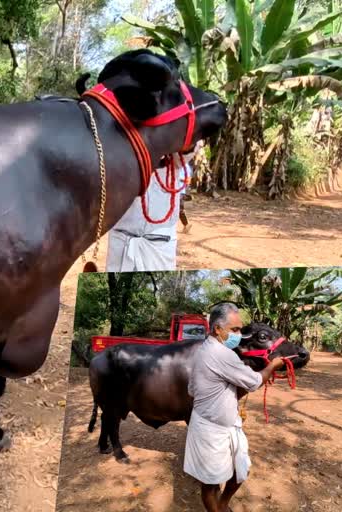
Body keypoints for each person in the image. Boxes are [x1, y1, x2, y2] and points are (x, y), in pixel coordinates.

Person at [184, 303, 286, 512]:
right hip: (210, 430)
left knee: (241, 470)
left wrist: (225, 396)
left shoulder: (203, 350)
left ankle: (222, 505)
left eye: (240, 329)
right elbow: (255, 381)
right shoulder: (222, 354)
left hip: (228, 425)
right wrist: (272, 366)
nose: (239, 335)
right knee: (211, 484)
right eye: (235, 330)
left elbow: (192, 391)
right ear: (217, 330)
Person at [105, 141, 202, 272]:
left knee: (160, 289)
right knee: (117, 291)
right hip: (122, 237)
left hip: (160, 239)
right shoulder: (117, 130)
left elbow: (183, 156)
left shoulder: (174, 130)